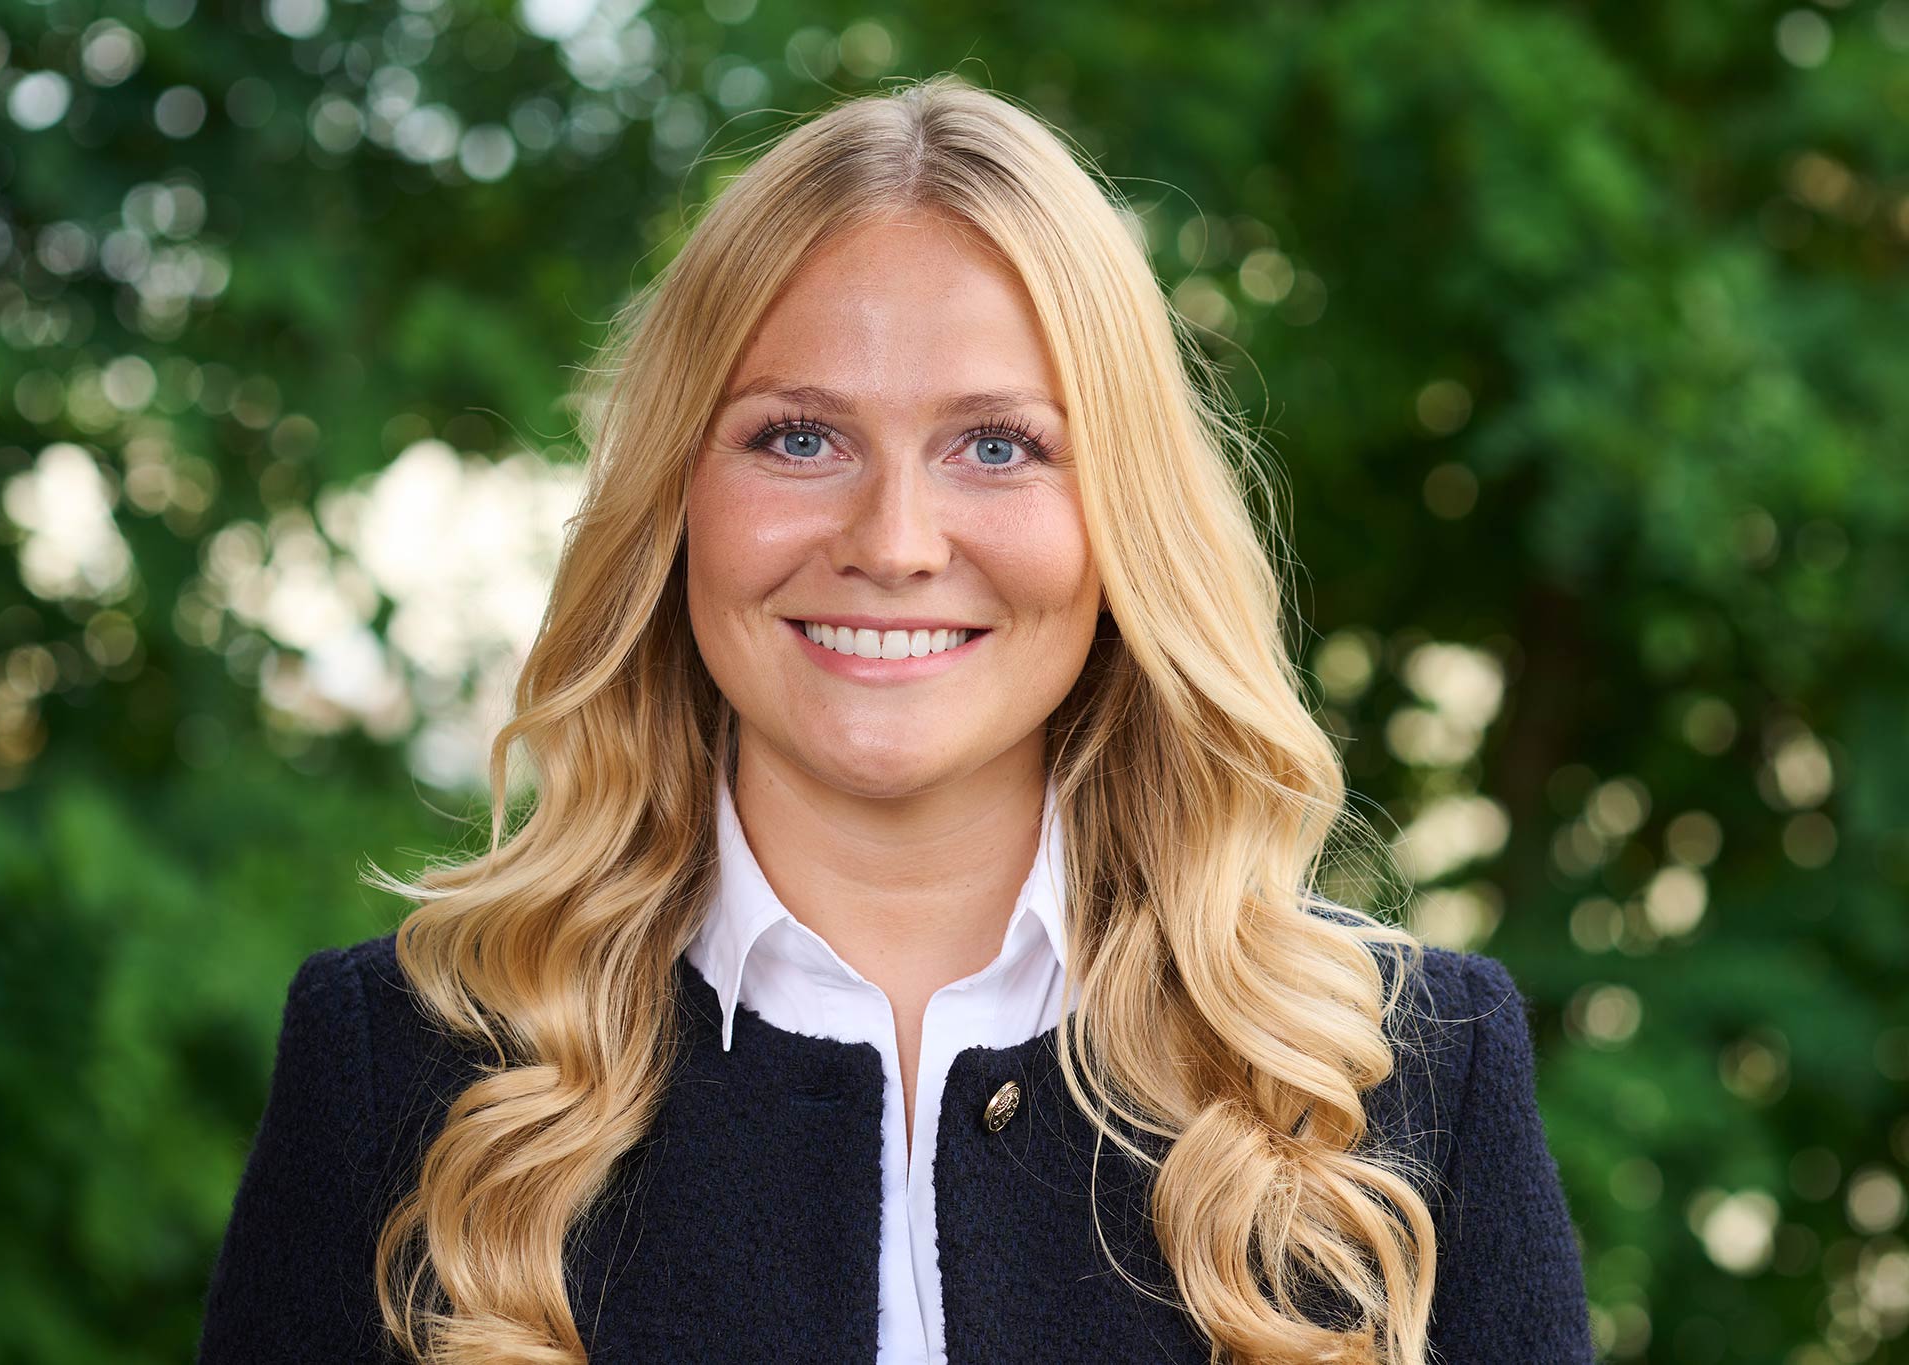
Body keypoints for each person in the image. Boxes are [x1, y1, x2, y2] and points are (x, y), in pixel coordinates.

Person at [197, 74, 1593, 1365]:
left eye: (997, 445)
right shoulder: (406, 1068)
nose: (895, 541)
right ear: (677, 496)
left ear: (1122, 515)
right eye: (799, 437)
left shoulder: (1402, 1080)